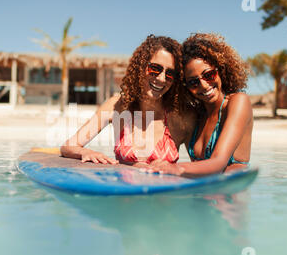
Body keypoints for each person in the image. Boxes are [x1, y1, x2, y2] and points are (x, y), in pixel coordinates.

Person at [60, 35, 196, 167]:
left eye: (170, 74)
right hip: (125, 189)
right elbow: (69, 146)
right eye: (155, 69)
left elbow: (200, 169)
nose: (161, 78)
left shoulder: (181, 117)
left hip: (163, 189)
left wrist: (174, 168)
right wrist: (87, 152)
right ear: (141, 67)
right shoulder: (116, 107)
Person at [149, 33, 253, 177]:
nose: (204, 85)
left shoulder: (238, 102)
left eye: (209, 75)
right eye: (193, 82)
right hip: (200, 194)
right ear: (185, 87)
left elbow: (219, 162)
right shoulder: (196, 116)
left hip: (229, 196)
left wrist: (177, 168)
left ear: (221, 70)